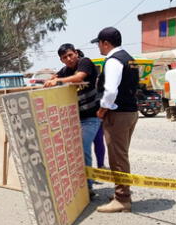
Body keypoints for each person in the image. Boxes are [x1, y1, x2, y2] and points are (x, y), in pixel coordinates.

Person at [91, 27, 139, 213]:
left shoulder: (113, 61)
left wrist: (102, 110)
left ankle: (122, 199)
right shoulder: (129, 59)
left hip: (118, 115)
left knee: (117, 157)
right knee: (122, 155)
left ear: (105, 43)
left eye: (99, 44)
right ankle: (122, 191)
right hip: (131, 112)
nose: (99, 48)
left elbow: (111, 91)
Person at [44, 43, 101, 197]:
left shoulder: (85, 62)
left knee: (83, 149)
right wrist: (52, 79)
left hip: (91, 118)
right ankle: (77, 184)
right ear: (61, 60)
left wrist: (58, 81)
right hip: (74, 118)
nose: (68, 59)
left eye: (70, 55)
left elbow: (79, 78)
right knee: (71, 151)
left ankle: (88, 188)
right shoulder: (65, 70)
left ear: (76, 53)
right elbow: (56, 77)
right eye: (64, 57)